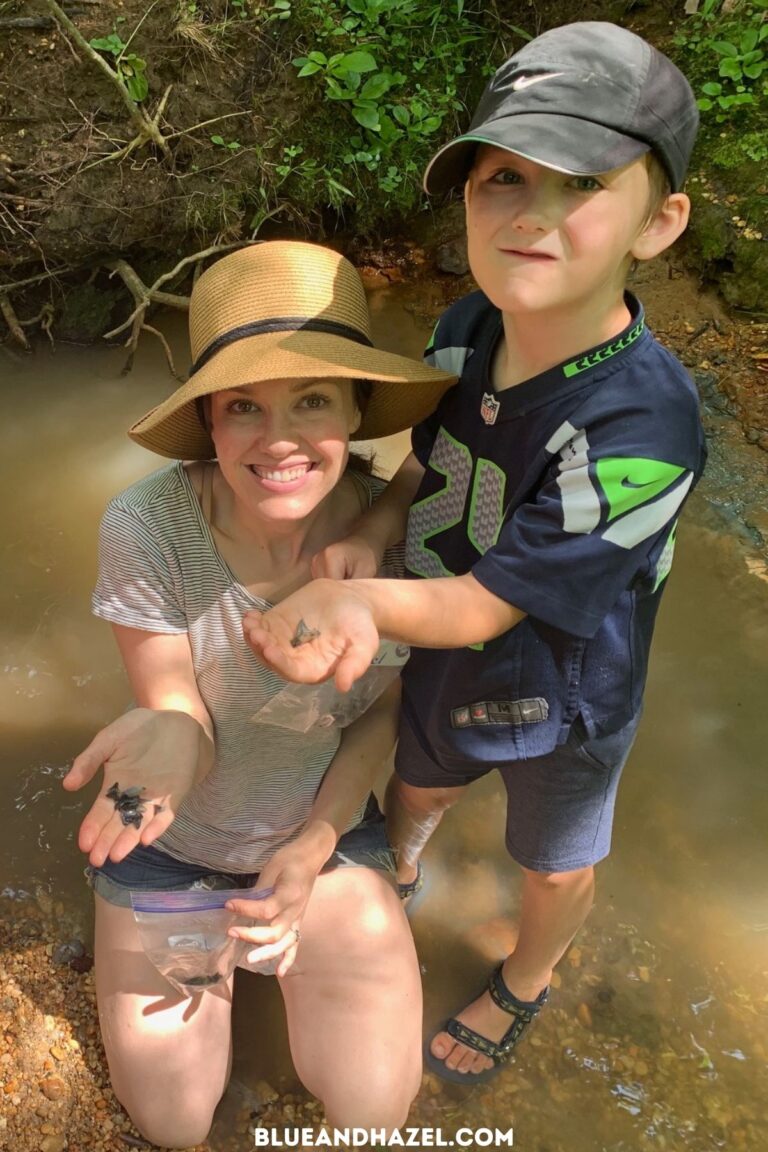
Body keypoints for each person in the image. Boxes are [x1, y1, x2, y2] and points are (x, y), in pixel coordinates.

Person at [242, 23, 708, 1085]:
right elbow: (422, 470)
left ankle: (526, 979)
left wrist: (347, 604)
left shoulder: (644, 426)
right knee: (415, 781)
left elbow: (492, 607)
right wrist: (367, 533)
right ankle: (401, 870)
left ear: (660, 221)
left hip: (570, 684)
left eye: (582, 182)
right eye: (503, 178)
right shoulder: (462, 328)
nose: (532, 215)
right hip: (442, 646)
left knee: (553, 859)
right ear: (464, 200)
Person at [62, 240, 456, 1147]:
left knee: (372, 1116)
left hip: (323, 833)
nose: (278, 440)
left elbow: (384, 711)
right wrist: (169, 735)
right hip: (171, 845)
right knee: (172, 1124)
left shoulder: (394, 538)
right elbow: (178, 709)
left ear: (359, 412)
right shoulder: (147, 523)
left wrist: (317, 845)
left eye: (312, 400)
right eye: (245, 407)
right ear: (208, 422)